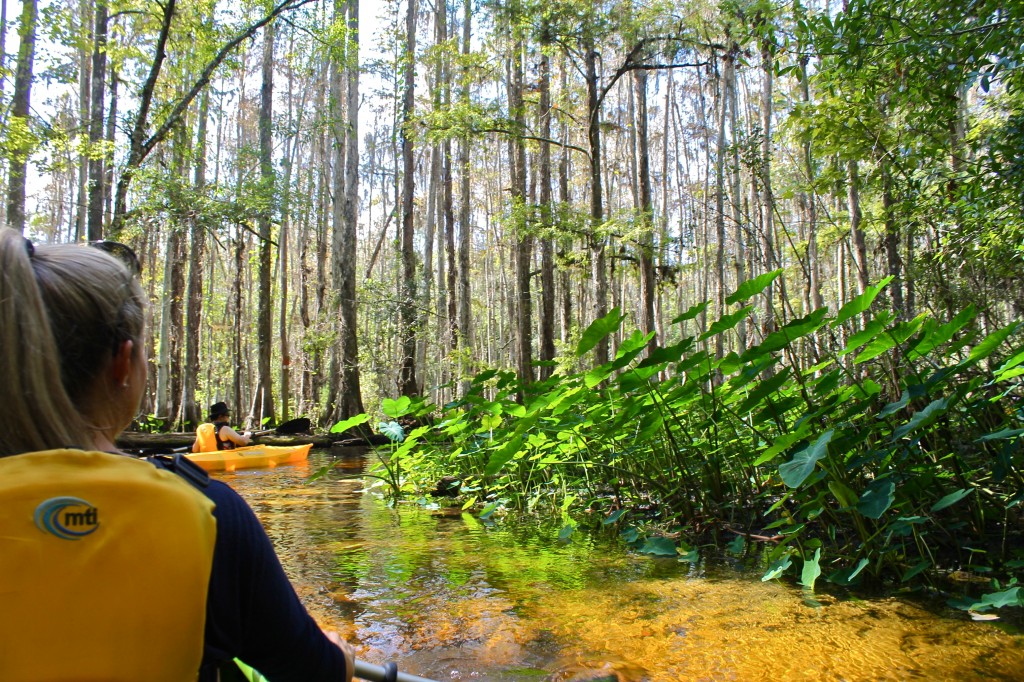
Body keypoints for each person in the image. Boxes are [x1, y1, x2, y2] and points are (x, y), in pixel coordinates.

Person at [0, 230, 355, 682]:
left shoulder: (205, 444)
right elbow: (312, 672)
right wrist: (338, 657)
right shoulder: (210, 511)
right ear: (123, 364)